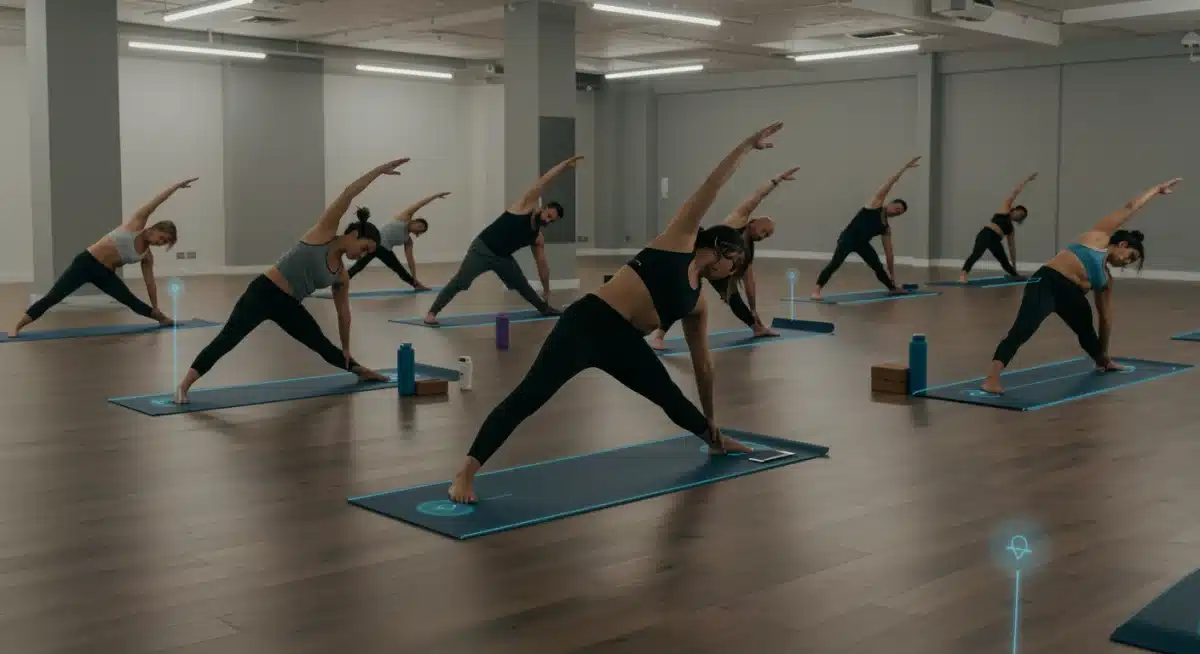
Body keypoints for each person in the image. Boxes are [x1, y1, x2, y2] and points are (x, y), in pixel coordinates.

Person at [445, 122, 788, 504]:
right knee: (529, 397)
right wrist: (746, 146)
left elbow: (703, 366)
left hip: (624, 343)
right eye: (735, 262)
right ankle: (465, 474)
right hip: (587, 323)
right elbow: (711, 186)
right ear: (721, 250)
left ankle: (716, 441)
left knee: (669, 396)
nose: (734, 272)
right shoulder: (676, 242)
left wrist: (712, 425)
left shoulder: (698, 303)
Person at [172, 159, 407, 404]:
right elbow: (348, 193)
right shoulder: (323, 232)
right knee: (227, 339)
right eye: (365, 247)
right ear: (354, 234)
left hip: (289, 306)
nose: (363, 254)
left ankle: (360, 370)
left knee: (321, 344)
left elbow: (343, 313)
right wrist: (378, 172)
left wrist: (347, 348)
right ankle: (184, 386)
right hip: (262, 293)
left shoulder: (342, 276)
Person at [981, 178, 1180, 394]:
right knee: (1023, 329)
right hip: (1047, 282)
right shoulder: (1099, 236)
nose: (1126, 262)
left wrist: (1104, 355)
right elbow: (1129, 207)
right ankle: (992, 379)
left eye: (1131, 262)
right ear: (1122, 244)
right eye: (1130, 256)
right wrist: (1155, 191)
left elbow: (1105, 318)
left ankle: (1102, 361)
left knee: (1086, 331)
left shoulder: (1105, 280)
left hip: (1072, 296)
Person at [7, 179, 194, 338]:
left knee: (131, 301)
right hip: (85, 263)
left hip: (105, 274)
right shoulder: (137, 223)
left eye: (164, 243)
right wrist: (176, 187)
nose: (160, 243)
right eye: (162, 238)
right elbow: (156, 202)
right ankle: (17, 326)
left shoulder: (147, 256)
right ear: (155, 228)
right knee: (54, 297)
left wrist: (155, 307)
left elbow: (150, 282)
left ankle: (161, 318)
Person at [648, 167, 799, 350]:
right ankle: (659, 336)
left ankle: (757, 328)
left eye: (767, 236)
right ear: (753, 222)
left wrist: (754, 310)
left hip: (718, 273)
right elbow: (755, 197)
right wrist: (776, 180)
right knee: (683, 298)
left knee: (734, 299)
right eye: (764, 231)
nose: (763, 236)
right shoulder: (737, 220)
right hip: (697, 261)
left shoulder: (748, 252)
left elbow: (749, 282)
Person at [423, 157, 582, 325]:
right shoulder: (524, 207)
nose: (548, 221)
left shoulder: (537, 238)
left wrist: (547, 289)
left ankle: (544, 308)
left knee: (522, 284)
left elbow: (542, 264)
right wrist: (563, 165)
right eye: (549, 216)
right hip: (482, 249)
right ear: (543, 209)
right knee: (461, 281)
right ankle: (432, 313)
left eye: (552, 221)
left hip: (503, 258)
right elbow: (543, 182)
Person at [811, 157, 921, 300]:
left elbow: (889, 253)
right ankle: (816, 291)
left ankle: (893, 288)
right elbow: (889, 183)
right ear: (890, 203)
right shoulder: (874, 204)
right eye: (896, 207)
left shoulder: (886, 227)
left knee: (877, 265)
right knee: (835, 263)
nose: (896, 211)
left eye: (899, 212)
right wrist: (904, 168)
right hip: (848, 238)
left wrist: (892, 276)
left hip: (862, 244)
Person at [346, 191, 449, 290]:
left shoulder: (408, 241)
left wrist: (414, 277)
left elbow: (410, 261)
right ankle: (339, 283)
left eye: (420, 230)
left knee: (399, 269)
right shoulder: (405, 217)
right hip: (373, 244)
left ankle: (416, 284)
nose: (418, 229)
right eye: (419, 226)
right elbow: (420, 204)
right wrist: (436, 196)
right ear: (414, 221)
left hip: (385, 250)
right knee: (359, 266)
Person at [959, 173, 1038, 282]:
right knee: (977, 253)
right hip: (986, 234)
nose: (1018, 216)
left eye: (1021, 217)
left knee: (1004, 260)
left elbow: (1012, 248)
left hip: (995, 240)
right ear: (1014, 210)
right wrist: (1026, 181)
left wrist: (1014, 265)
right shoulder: (1005, 208)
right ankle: (963, 275)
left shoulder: (1011, 229)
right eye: (1018, 213)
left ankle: (1015, 275)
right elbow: (1015, 193)